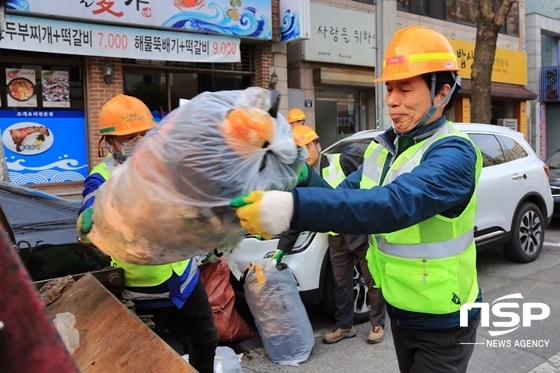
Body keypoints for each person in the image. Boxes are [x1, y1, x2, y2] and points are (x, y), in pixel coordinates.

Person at [232, 25, 483, 373]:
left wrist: (289, 209)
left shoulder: (454, 155)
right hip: (403, 310)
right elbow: (339, 200)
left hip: (446, 319)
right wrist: (299, 174)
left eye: (406, 89)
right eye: (390, 88)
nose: (392, 100)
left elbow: (390, 206)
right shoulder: (384, 151)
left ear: (442, 92)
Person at [77, 94, 218, 373]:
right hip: (140, 290)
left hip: (184, 279)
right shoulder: (102, 176)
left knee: (206, 339)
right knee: (149, 358)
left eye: (144, 134)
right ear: (110, 142)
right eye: (129, 138)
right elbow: (90, 214)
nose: (139, 142)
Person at [275, 125, 387, 345]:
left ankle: (377, 323)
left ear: (318, 144)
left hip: (358, 230)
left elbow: (369, 183)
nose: (303, 154)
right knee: (341, 285)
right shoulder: (302, 177)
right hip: (335, 237)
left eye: (306, 146)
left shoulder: (342, 161)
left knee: (372, 279)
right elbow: (301, 211)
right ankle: (345, 326)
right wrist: (282, 248)